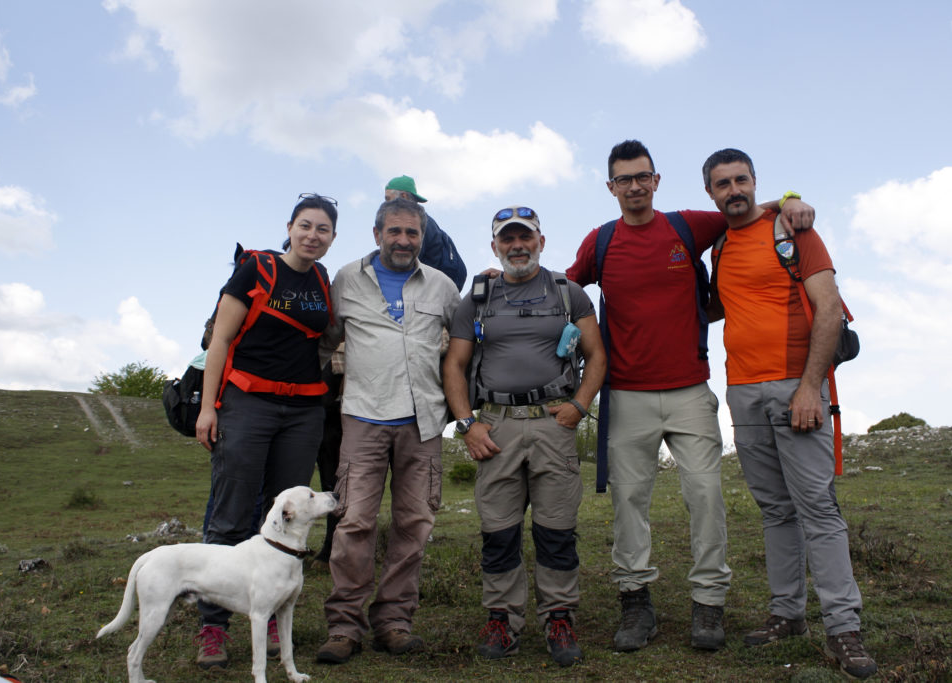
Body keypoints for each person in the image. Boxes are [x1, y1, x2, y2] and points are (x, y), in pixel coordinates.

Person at [566, 140, 816, 653]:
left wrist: (789, 198)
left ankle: (709, 604)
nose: (634, 186)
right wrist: (502, 279)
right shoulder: (603, 241)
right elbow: (565, 288)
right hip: (628, 394)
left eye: (643, 177)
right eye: (623, 179)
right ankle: (636, 604)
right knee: (628, 504)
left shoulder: (688, 226)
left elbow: (740, 207)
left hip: (689, 392)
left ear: (657, 181)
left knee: (705, 498)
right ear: (610, 187)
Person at [702, 148, 876, 679]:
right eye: (722, 184)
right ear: (710, 193)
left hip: (795, 389)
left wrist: (808, 388)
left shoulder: (794, 230)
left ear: (755, 181)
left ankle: (843, 627)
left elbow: (828, 308)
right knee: (775, 510)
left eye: (741, 179)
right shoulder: (719, 246)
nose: (734, 190)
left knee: (818, 508)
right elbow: (716, 307)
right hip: (743, 393)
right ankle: (787, 614)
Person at [443, 206, 606, 667]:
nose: (517, 246)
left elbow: (596, 355)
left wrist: (578, 407)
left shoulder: (568, 292)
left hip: (554, 422)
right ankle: (502, 620)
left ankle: (559, 617)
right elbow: (454, 365)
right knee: (498, 530)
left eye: (525, 237)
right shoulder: (476, 298)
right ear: (495, 245)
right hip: (495, 425)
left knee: (557, 529)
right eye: (507, 239)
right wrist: (466, 424)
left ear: (541, 241)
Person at [192, 193, 337, 670]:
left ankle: (271, 612)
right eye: (306, 226)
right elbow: (221, 341)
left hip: (302, 411)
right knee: (232, 514)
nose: (313, 236)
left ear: (332, 237)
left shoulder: (322, 282)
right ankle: (213, 625)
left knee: (287, 516)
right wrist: (210, 408)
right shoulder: (255, 268)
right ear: (290, 227)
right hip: (248, 403)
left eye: (323, 230)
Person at [316, 197, 460, 664]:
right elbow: (325, 340)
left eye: (412, 233)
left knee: (413, 525)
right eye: (394, 232)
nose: (403, 241)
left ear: (422, 237)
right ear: (377, 233)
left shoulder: (441, 286)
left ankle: (394, 621)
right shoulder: (345, 281)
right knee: (354, 522)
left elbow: (465, 340)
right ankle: (344, 627)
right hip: (363, 417)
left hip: (423, 423)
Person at [385, 174, 467, 290]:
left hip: (430, 289)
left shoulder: (419, 225)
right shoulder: (425, 221)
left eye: (388, 199)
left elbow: (407, 266)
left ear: (403, 196)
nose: (385, 205)